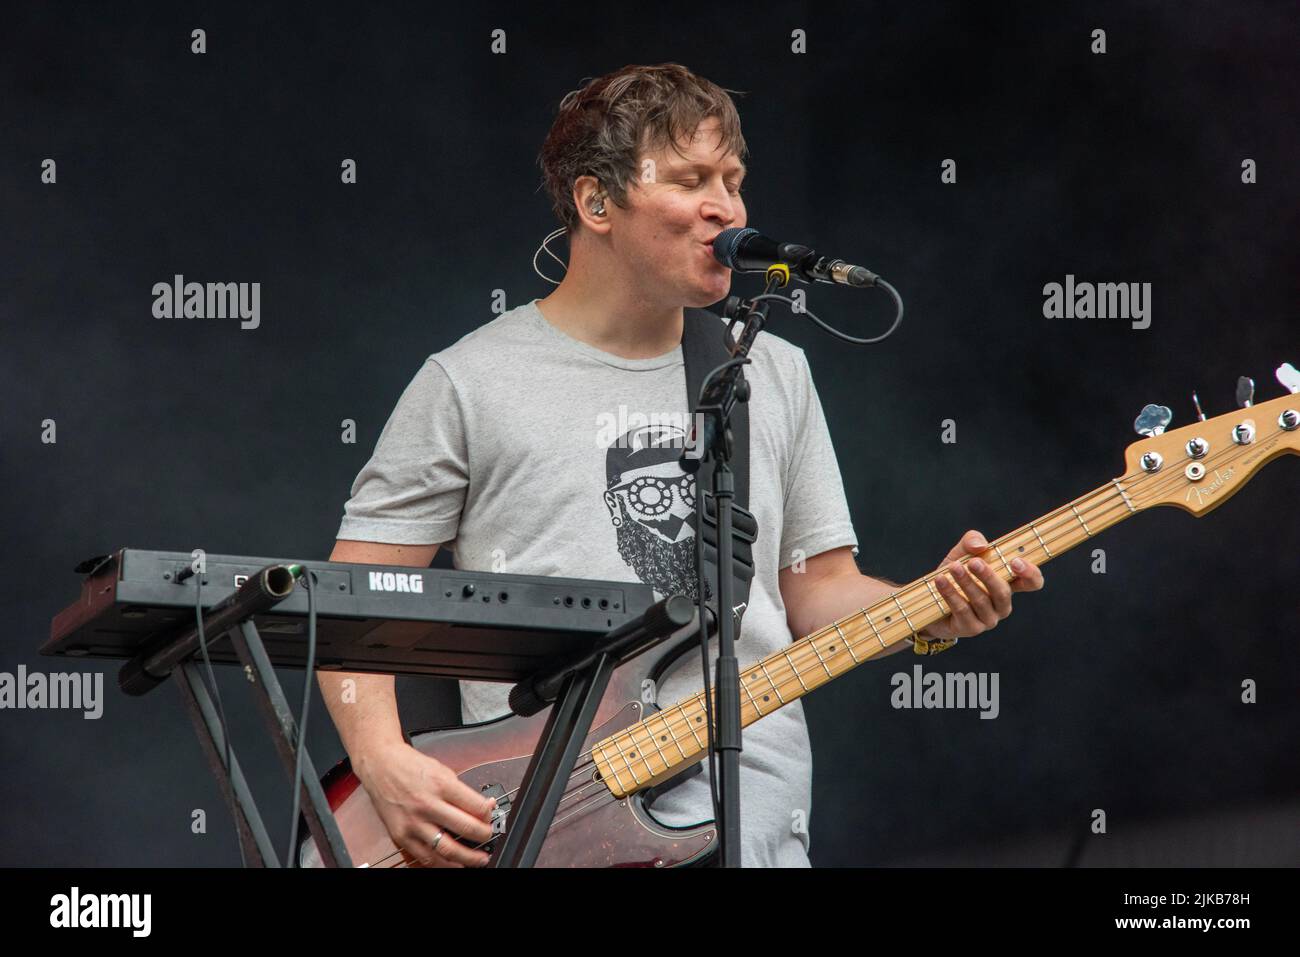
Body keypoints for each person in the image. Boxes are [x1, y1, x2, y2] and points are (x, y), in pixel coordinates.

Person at [317, 63, 1044, 868]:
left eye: (734, 180)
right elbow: (352, 605)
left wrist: (926, 609)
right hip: (547, 819)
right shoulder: (471, 382)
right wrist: (384, 765)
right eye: (693, 178)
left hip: (751, 818)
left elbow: (817, 589)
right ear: (596, 203)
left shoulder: (777, 373)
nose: (727, 207)